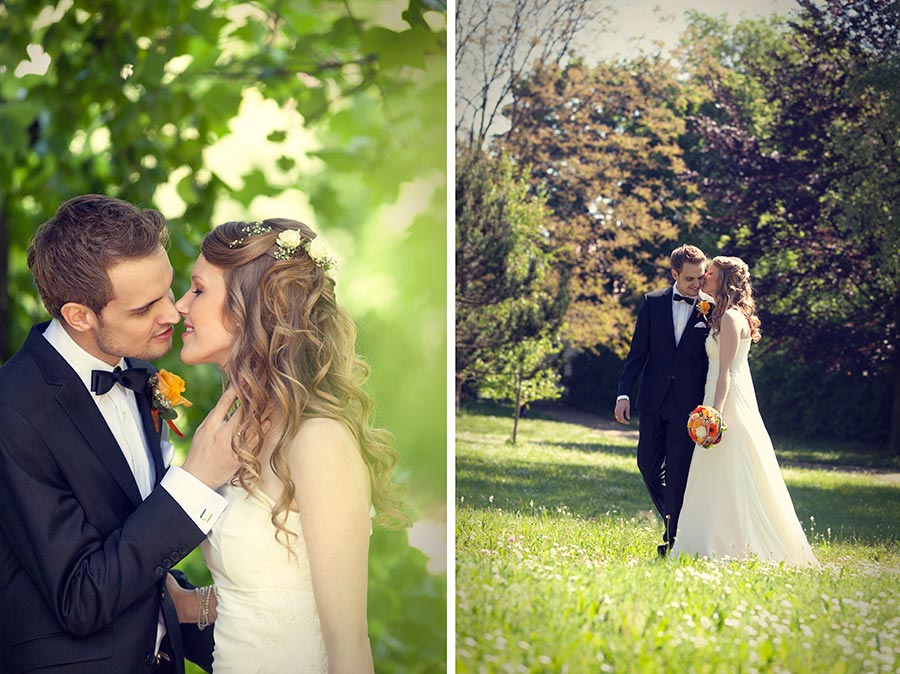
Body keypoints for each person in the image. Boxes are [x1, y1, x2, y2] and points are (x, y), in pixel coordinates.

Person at [0, 195, 242, 674]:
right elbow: (81, 596)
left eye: (168, 291)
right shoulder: (13, 409)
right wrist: (193, 482)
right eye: (144, 307)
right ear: (79, 316)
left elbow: (133, 545)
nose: (173, 314)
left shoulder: (133, 370)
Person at [167, 218, 409, 673]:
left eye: (198, 290)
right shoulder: (241, 430)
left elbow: (349, 646)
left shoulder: (319, 442)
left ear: (247, 308)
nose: (181, 306)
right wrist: (186, 604)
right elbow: (274, 591)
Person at [671, 257, 817, 564]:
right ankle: (712, 538)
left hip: (726, 400)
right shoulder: (723, 314)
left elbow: (725, 371)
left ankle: (729, 543)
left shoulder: (730, 319)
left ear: (723, 281)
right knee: (718, 471)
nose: (705, 277)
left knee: (726, 465)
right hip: (720, 395)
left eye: (710, 273)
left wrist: (713, 416)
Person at [614, 244, 713, 556]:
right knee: (647, 465)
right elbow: (637, 354)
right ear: (674, 274)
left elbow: (713, 362)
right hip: (653, 400)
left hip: (689, 408)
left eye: (701, 278)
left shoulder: (711, 309)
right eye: (689, 279)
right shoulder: (652, 302)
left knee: (678, 472)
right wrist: (623, 393)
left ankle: (673, 541)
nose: (697, 285)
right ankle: (680, 518)